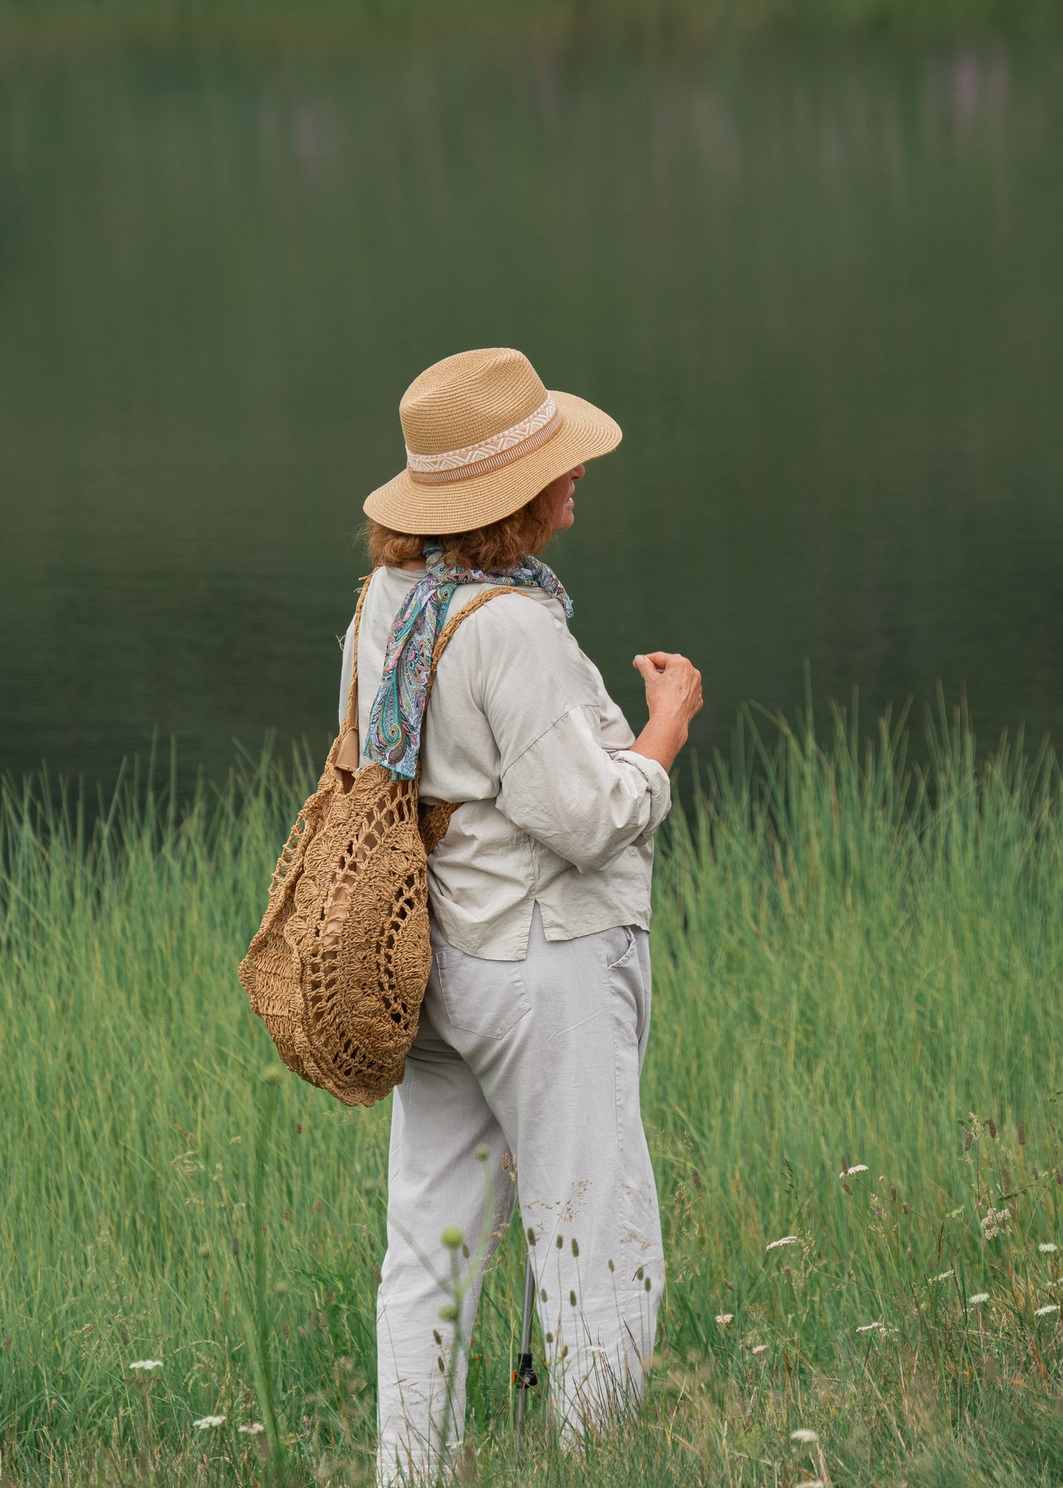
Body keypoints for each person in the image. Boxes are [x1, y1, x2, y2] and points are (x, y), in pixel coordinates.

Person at [354, 347, 704, 1479]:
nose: (578, 473)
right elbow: (587, 817)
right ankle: (600, 1464)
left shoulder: (388, 601)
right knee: (591, 1227)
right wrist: (666, 726)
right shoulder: (512, 627)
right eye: (558, 461)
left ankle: (411, 1470)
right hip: (543, 962)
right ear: (507, 496)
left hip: (435, 958)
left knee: (429, 1245)